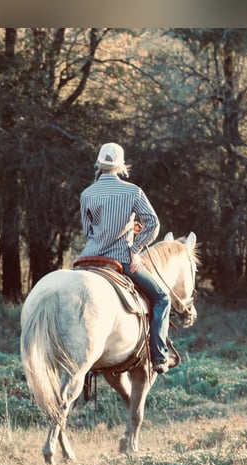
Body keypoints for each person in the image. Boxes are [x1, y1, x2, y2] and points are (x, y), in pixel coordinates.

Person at [79, 142, 172, 374]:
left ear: (99, 164)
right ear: (121, 166)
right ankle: (159, 356)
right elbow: (153, 223)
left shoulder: (87, 193)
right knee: (162, 298)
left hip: (88, 259)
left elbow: (87, 231)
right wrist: (136, 249)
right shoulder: (133, 192)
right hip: (120, 258)